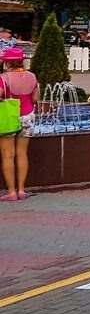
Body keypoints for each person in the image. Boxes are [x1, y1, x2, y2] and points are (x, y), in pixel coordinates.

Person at [0, 48, 37, 201]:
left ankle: (11, 192)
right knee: (22, 154)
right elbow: (35, 99)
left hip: (9, 117)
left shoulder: (3, 78)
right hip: (28, 116)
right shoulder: (32, 77)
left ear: (7, 63)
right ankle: (22, 190)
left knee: (8, 156)